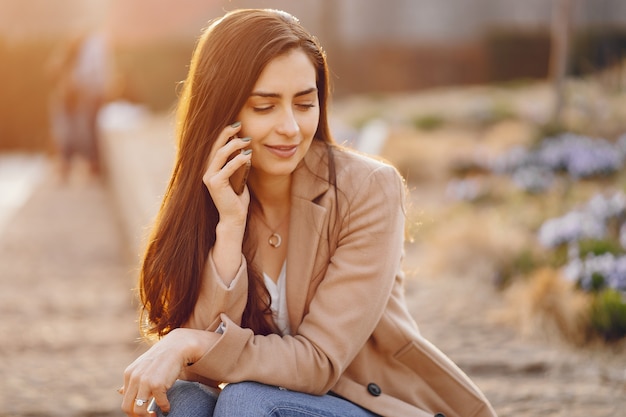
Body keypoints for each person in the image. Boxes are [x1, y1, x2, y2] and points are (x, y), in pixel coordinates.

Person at [120, 9, 497, 417]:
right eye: (264, 107)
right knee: (182, 402)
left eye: (304, 103)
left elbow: (318, 362)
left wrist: (190, 343)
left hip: (372, 405)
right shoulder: (212, 196)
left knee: (246, 400)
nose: (290, 127)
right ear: (223, 113)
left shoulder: (368, 189)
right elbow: (205, 374)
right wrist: (230, 226)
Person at [47, 30, 112, 180]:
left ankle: (82, 166)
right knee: (72, 135)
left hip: (78, 101)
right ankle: (79, 166)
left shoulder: (79, 56)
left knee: (76, 134)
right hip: (72, 101)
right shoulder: (70, 57)